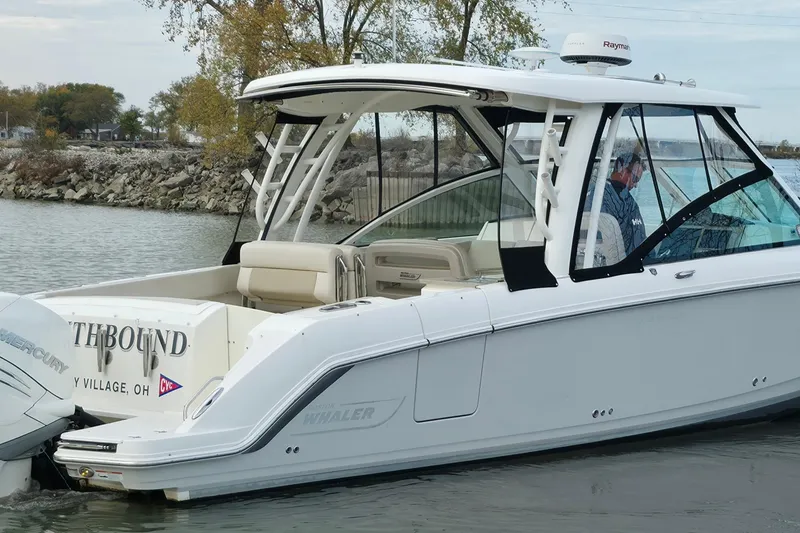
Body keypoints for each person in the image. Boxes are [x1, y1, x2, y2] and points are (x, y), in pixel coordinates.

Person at [584, 151, 648, 257]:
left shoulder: (598, 192)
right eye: (635, 178)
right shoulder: (604, 196)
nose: (635, 185)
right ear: (621, 170)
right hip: (622, 263)